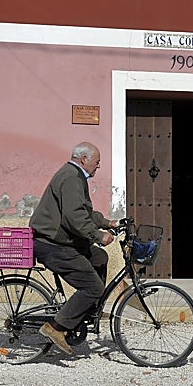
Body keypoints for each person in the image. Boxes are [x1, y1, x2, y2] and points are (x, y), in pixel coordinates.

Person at [29, 141, 120, 355]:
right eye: (97, 162)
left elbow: (83, 212)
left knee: (99, 258)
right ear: (84, 159)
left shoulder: (74, 176)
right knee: (93, 287)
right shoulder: (71, 177)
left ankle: (84, 311)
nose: (98, 166)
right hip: (51, 244)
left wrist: (107, 223)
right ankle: (55, 327)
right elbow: (75, 218)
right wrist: (98, 235)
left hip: (58, 241)